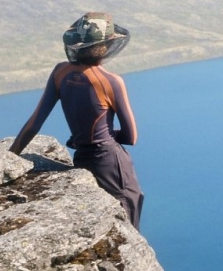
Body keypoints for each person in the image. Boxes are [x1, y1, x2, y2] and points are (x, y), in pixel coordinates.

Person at [9, 12, 144, 230]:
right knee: (126, 218)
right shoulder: (111, 81)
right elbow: (131, 137)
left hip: (81, 157)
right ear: (105, 46)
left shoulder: (60, 72)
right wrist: (106, 136)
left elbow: (35, 122)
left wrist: (10, 158)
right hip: (111, 164)